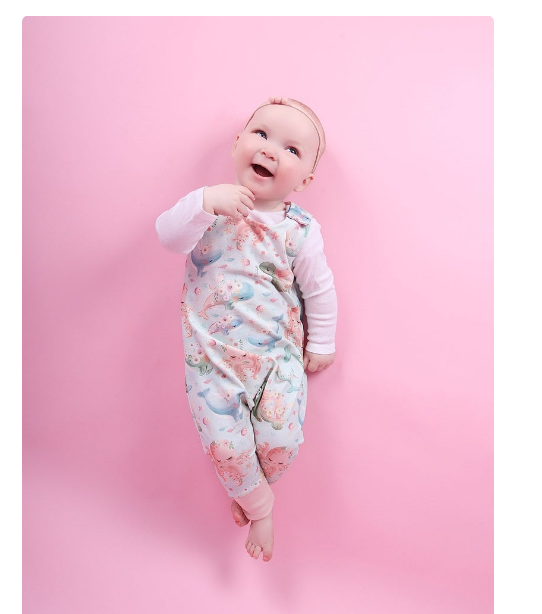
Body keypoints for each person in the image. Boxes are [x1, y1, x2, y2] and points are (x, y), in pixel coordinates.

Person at [156, 96, 337, 562]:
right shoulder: (209, 207)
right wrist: (203, 202)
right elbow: (168, 237)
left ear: (306, 180)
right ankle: (259, 506)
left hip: (277, 358)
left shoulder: (300, 230)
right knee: (224, 444)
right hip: (211, 362)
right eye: (261, 134)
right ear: (238, 144)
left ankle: (249, 486)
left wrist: (323, 341)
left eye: (292, 150)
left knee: (282, 442)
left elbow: (319, 288)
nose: (271, 150)